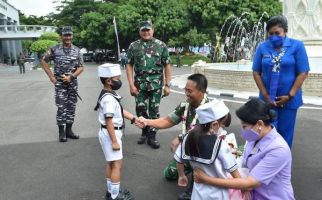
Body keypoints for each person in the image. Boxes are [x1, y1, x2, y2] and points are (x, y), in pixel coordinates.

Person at [193, 98, 295, 200]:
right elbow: (244, 162)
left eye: (244, 126)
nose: (242, 131)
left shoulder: (278, 150)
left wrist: (206, 179)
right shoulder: (255, 137)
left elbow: (250, 183)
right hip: (252, 195)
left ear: (259, 124)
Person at [138, 73, 209, 200]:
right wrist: (147, 122)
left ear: (202, 91)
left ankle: (195, 186)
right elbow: (168, 120)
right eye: (185, 90)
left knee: (200, 157)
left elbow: (203, 133)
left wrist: (181, 138)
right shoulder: (186, 104)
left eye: (190, 91)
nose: (186, 94)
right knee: (170, 173)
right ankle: (189, 170)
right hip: (187, 149)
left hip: (205, 152)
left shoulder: (210, 108)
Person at [252, 15, 310, 148]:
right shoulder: (262, 47)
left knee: (284, 134)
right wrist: (265, 94)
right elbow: (256, 72)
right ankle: (267, 162)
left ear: (285, 31)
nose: (273, 36)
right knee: (266, 133)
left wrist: (290, 95)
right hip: (267, 101)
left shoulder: (297, 46)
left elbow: (303, 72)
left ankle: (283, 163)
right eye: (270, 34)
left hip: (289, 101)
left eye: (277, 33)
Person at [174, 99, 243, 199]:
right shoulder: (220, 145)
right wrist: (244, 188)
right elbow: (235, 173)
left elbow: (179, 160)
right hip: (218, 194)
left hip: (198, 192)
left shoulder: (188, 137)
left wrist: (181, 175)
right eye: (222, 125)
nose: (223, 129)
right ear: (214, 124)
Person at [95, 63, 138, 200]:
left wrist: (133, 118)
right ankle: (115, 195)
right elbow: (109, 120)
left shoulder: (109, 93)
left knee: (111, 163)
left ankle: (111, 191)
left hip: (109, 133)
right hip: (111, 133)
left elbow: (119, 110)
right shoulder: (108, 98)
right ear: (108, 81)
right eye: (117, 78)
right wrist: (114, 141)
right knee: (117, 165)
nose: (119, 81)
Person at [126, 20, 171, 149]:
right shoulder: (133, 46)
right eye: (143, 30)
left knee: (154, 110)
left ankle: (152, 135)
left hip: (156, 85)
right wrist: (131, 85)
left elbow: (167, 65)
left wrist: (167, 85)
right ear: (139, 31)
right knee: (140, 109)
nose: (146, 32)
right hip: (139, 85)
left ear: (153, 30)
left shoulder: (161, 45)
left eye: (148, 30)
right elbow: (129, 65)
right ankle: (144, 132)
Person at [41, 26, 84, 142]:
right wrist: (51, 76)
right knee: (61, 107)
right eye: (65, 35)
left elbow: (81, 67)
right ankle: (61, 132)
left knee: (71, 107)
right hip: (60, 84)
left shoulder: (77, 50)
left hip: (72, 83)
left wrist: (72, 76)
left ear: (72, 36)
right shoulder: (54, 49)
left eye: (69, 35)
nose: (68, 37)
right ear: (61, 36)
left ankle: (69, 131)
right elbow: (44, 61)